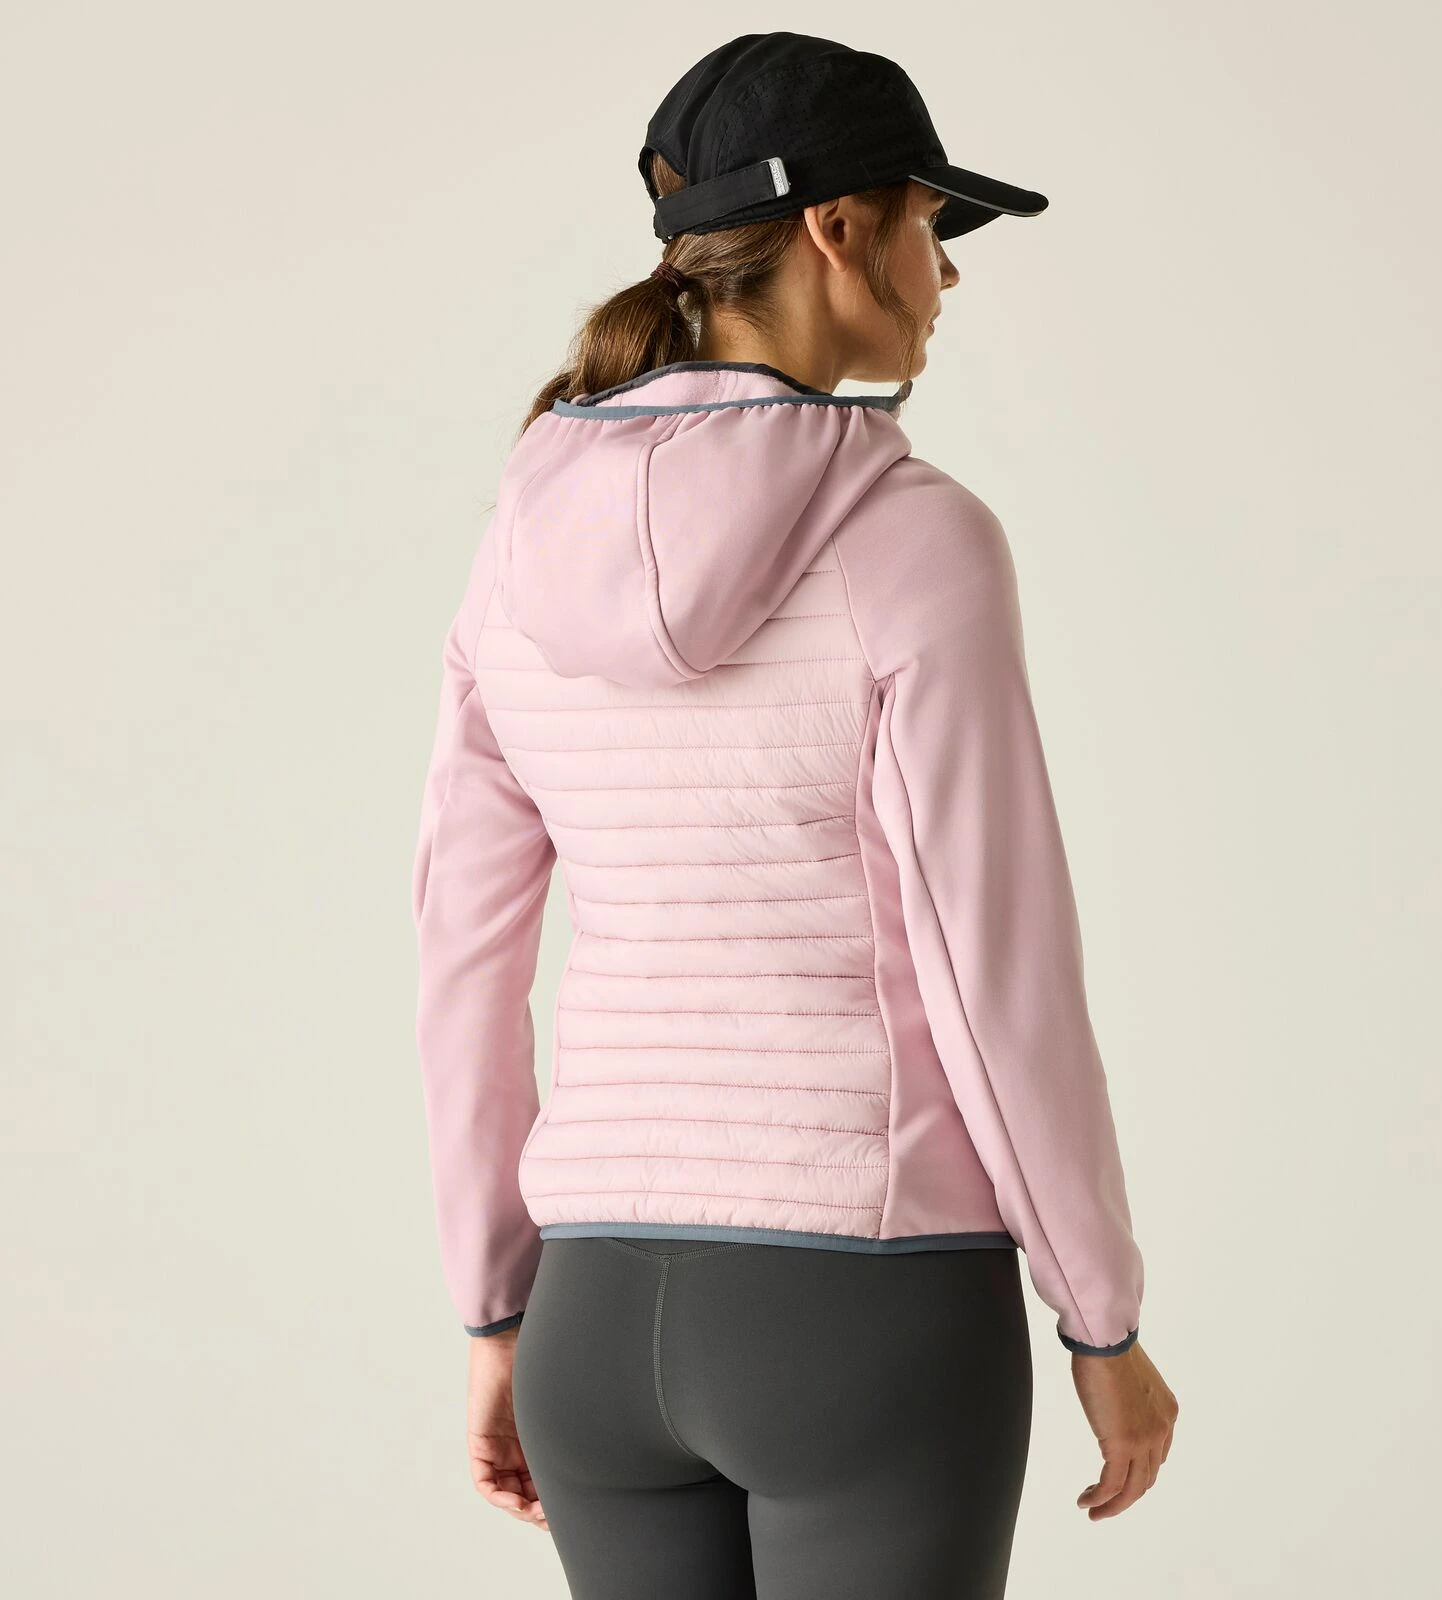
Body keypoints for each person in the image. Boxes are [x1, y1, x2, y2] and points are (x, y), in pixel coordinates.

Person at [412, 31, 1178, 1600]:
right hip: (867, 1304)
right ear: (838, 227)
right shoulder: (918, 539)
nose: (945, 277)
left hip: (591, 1323)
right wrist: (1099, 1318)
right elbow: (994, 969)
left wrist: (497, 1313)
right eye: (931, 225)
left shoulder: (518, 542)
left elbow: (461, 961)